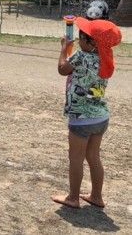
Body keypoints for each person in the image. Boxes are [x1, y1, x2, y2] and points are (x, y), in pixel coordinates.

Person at [52, 18, 122, 209]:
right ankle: (96, 196)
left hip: (81, 117)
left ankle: (73, 198)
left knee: (75, 158)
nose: (79, 39)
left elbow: (62, 69)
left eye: (82, 37)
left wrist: (63, 50)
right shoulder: (106, 59)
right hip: (100, 116)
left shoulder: (82, 57)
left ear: (92, 42)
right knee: (93, 156)